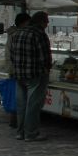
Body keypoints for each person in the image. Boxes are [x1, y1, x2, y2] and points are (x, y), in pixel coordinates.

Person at [9, 11, 51, 141]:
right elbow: (45, 56)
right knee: (33, 105)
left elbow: (11, 54)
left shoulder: (17, 33)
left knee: (21, 105)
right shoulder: (39, 34)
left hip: (18, 75)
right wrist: (47, 69)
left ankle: (20, 132)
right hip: (34, 75)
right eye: (46, 21)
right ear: (41, 22)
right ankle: (31, 133)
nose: (47, 23)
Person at [4, 13, 30, 129]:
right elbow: (13, 54)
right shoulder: (17, 35)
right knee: (19, 98)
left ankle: (15, 121)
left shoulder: (12, 34)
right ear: (23, 22)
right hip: (17, 71)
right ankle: (18, 122)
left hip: (14, 70)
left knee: (16, 97)